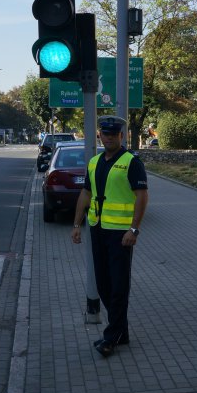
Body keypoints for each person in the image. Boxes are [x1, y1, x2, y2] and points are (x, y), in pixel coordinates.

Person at [72, 115, 149, 358]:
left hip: (121, 234)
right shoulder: (94, 162)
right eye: (105, 134)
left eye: (114, 134)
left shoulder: (131, 162)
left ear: (121, 136)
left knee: (118, 285)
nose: (109, 138)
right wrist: (77, 224)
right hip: (97, 229)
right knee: (104, 283)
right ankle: (121, 332)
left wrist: (134, 229)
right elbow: (86, 194)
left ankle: (110, 337)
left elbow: (142, 197)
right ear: (100, 135)